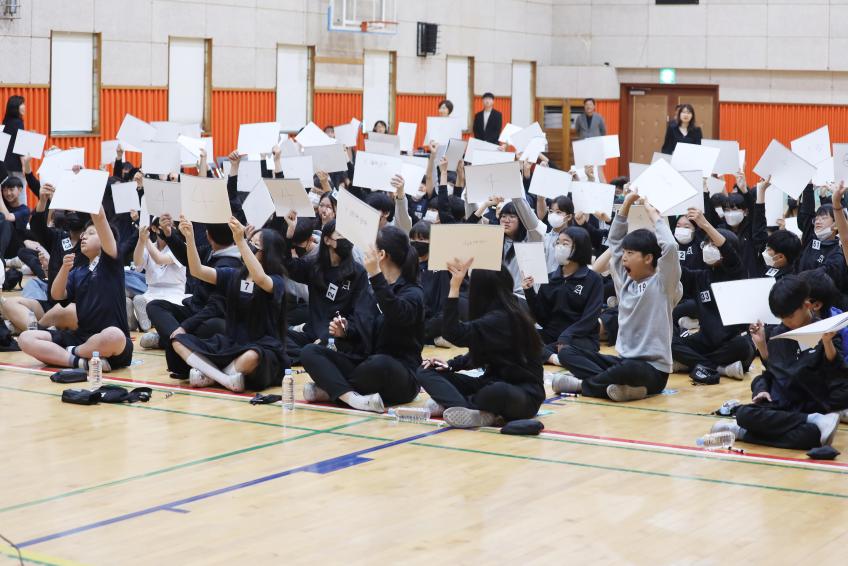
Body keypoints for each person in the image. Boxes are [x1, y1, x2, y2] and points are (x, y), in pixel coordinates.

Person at [554, 192, 682, 401]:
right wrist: (628, 203)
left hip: (653, 371)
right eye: (625, 253)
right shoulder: (626, 280)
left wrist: (652, 212)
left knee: (629, 370)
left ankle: (583, 386)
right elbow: (614, 240)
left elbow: (670, 247)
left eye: (630, 253)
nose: (624, 258)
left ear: (649, 258)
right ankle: (626, 390)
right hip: (622, 362)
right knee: (567, 353)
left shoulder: (663, 284)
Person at [300, 226, 425, 413]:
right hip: (364, 363)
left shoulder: (413, 293)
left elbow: (396, 314)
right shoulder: (371, 289)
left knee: (379, 363)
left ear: (381, 254)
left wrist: (375, 275)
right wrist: (346, 330)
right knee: (310, 351)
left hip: (399, 374)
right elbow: (362, 327)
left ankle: (332, 390)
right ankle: (352, 398)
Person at [709, 276, 843, 450]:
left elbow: (837, 376)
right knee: (743, 413)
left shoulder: (826, 331)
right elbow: (774, 374)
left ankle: (741, 432)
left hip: (810, 404)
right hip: (783, 407)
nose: (786, 321)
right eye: (781, 317)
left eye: (790, 316)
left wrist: (827, 343)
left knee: (809, 436)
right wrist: (762, 348)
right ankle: (743, 429)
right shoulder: (780, 332)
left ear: (807, 305)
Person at [416, 263, 545, 428]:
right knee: (425, 370)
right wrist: (449, 365)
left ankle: (459, 405)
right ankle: (468, 409)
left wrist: (454, 288)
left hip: (522, 394)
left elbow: (452, 333)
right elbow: (479, 354)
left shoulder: (503, 317)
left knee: (495, 391)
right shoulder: (496, 312)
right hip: (489, 383)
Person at [170, 216, 289, 392]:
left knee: (252, 357)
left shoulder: (276, 281)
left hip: (263, 346)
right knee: (177, 340)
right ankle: (224, 379)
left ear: (268, 253)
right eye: (250, 241)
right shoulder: (234, 275)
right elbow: (197, 271)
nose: (249, 246)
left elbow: (260, 278)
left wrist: (240, 241)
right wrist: (189, 238)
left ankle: (209, 374)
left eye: (255, 244)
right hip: (231, 343)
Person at [18, 206, 134, 371]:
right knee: (26, 338)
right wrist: (65, 268)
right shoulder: (77, 271)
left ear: (106, 240)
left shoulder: (111, 262)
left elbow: (100, 217)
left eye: (91, 234)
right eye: (84, 234)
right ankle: (80, 362)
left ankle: (72, 353)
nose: (84, 237)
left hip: (110, 344)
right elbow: (57, 295)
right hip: (81, 336)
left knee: (113, 335)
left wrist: (86, 188)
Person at [670, 209, 753, 382]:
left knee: (744, 346)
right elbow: (674, 270)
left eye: (713, 244)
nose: (708, 248)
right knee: (668, 343)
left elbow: (729, 252)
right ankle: (718, 367)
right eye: (707, 244)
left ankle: (691, 363)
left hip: (730, 341)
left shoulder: (735, 273)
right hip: (705, 339)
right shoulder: (700, 276)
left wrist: (705, 225)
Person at [284, 219, 374, 364]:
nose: (346, 239)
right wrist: (289, 236)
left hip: (338, 336)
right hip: (312, 333)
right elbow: (288, 265)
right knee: (278, 334)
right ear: (327, 240)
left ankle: (313, 354)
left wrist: (341, 331)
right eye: (341, 234)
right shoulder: (314, 266)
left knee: (341, 347)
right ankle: (311, 354)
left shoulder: (358, 272)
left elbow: (360, 314)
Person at [523, 226, 603, 367]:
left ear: (580, 248)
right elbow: (542, 318)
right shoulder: (550, 278)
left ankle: (549, 355)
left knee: (566, 349)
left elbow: (590, 318)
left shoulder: (593, 279)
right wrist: (529, 292)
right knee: (516, 335)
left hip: (579, 337)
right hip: (551, 336)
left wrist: (567, 335)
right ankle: (554, 358)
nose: (559, 247)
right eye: (558, 243)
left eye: (565, 244)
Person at [2, 95, 26, 203]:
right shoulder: (18, 122)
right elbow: (20, 144)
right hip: (16, 164)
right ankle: (24, 218)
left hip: (5, 163)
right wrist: (24, 164)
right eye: (22, 104)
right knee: (20, 190)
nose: (24, 107)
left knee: (8, 190)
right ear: (16, 107)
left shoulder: (6, 121)